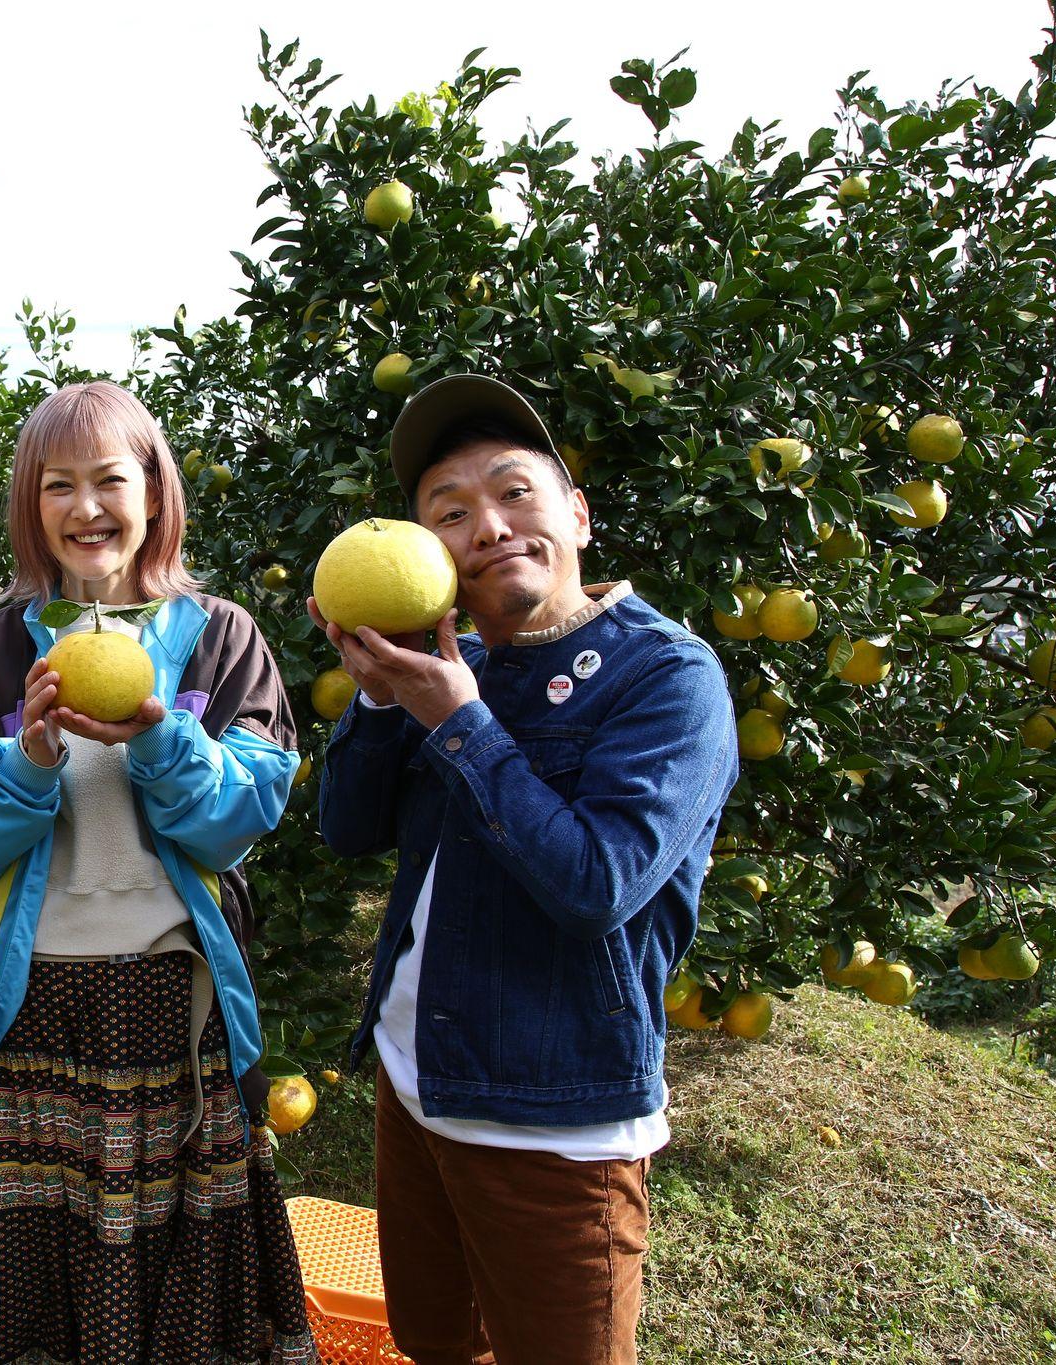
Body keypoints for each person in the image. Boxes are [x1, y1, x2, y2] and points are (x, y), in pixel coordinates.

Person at [313, 374, 734, 1365]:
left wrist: (456, 721)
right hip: (413, 1085)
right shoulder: (445, 664)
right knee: (433, 1341)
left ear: (575, 515)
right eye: (448, 513)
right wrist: (380, 700)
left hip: (551, 1125)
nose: (487, 526)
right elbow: (345, 831)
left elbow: (596, 885)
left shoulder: (667, 679)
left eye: (514, 494)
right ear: (428, 554)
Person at [0, 381, 316, 1364]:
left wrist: (161, 736)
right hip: (32, 1003)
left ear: (153, 494)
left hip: (174, 1006)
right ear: (30, 508)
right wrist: (29, 757)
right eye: (58, 485)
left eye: (108, 480)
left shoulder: (218, 638)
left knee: (177, 1251)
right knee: (37, 1265)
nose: (85, 507)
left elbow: (237, 820)